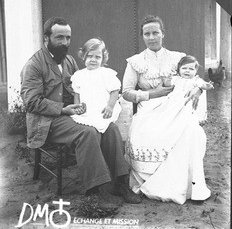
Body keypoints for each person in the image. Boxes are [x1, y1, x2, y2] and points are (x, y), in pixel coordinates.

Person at [20, 17, 141, 207]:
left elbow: (81, 87)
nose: (65, 42)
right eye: (59, 37)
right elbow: (31, 102)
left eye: (68, 38)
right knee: (88, 133)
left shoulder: (68, 61)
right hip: (47, 122)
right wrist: (62, 109)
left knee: (110, 129)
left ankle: (120, 184)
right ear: (46, 38)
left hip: (74, 114)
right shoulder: (34, 65)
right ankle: (95, 191)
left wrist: (104, 101)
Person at [122, 14, 211, 205]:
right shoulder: (135, 62)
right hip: (148, 109)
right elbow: (126, 92)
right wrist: (152, 93)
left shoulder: (177, 58)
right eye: (147, 34)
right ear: (142, 37)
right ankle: (152, 182)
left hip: (175, 106)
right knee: (145, 132)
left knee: (191, 131)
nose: (152, 37)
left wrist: (197, 89)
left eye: (156, 32)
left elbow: (194, 77)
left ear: (163, 34)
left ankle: (187, 186)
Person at [70, 38, 122, 133]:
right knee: (88, 128)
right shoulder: (79, 75)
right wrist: (77, 106)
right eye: (90, 56)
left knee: (105, 126)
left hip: (103, 109)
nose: (93, 60)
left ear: (103, 58)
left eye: (97, 57)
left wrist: (110, 106)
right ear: (83, 57)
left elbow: (115, 90)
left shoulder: (106, 74)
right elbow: (76, 94)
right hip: (87, 111)